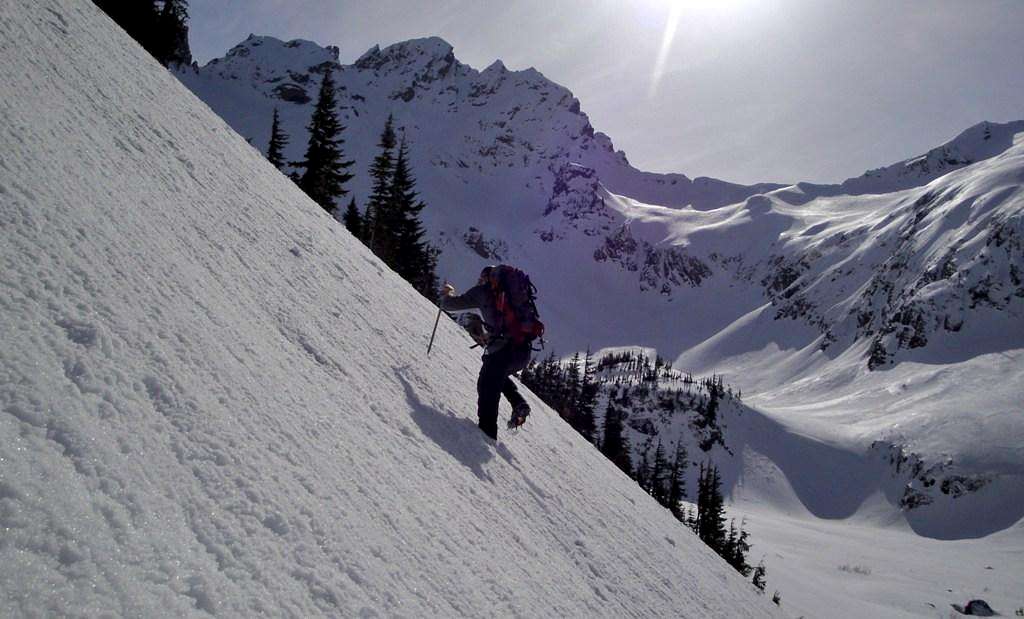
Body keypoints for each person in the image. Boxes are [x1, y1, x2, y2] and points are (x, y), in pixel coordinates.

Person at [440, 266, 532, 439]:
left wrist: (446, 294)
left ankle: (486, 435)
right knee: (497, 376)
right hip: (522, 351)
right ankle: (519, 403)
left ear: (487, 279)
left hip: (502, 352)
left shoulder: (483, 292)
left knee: (487, 387)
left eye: (481, 279)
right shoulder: (512, 296)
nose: (479, 281)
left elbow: (449, 305)